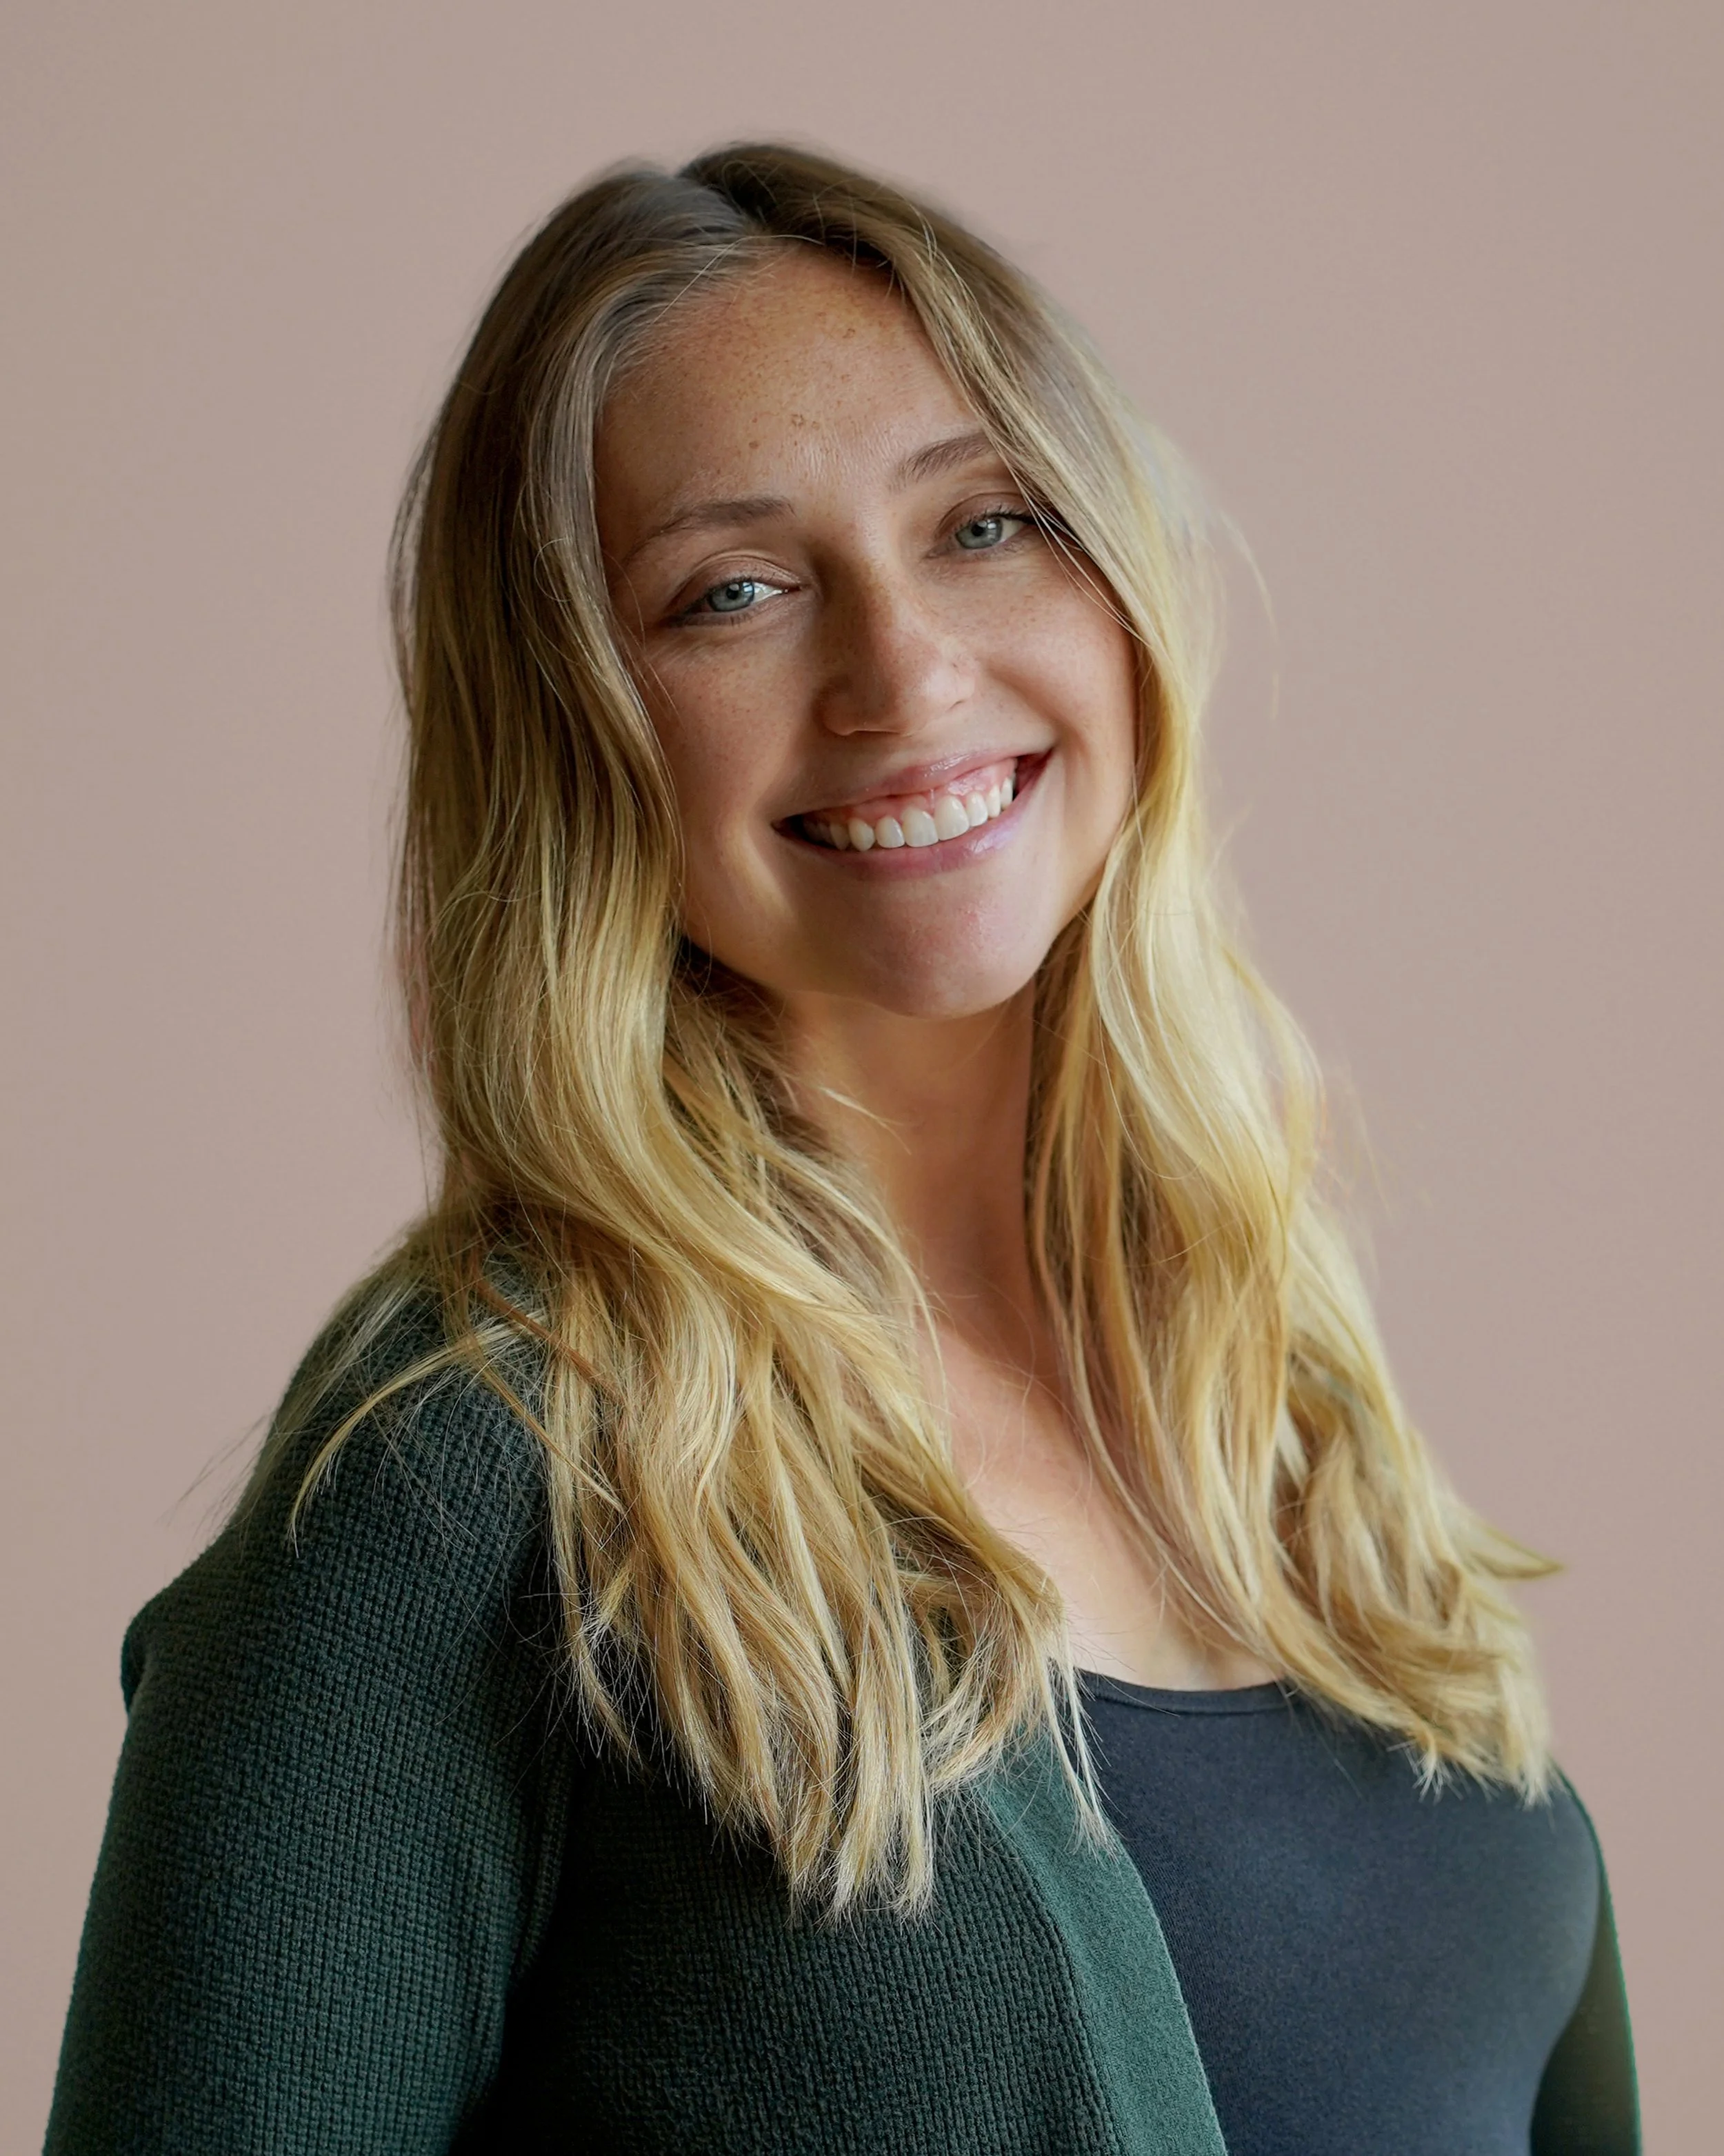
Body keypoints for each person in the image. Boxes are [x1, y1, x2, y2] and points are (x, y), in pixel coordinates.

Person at [45, 143, 1638, 2155]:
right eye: (731, 590)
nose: (903, 670)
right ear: (575, 728)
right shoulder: (473, 1474)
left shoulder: (1287, 1405)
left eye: (987, 522)